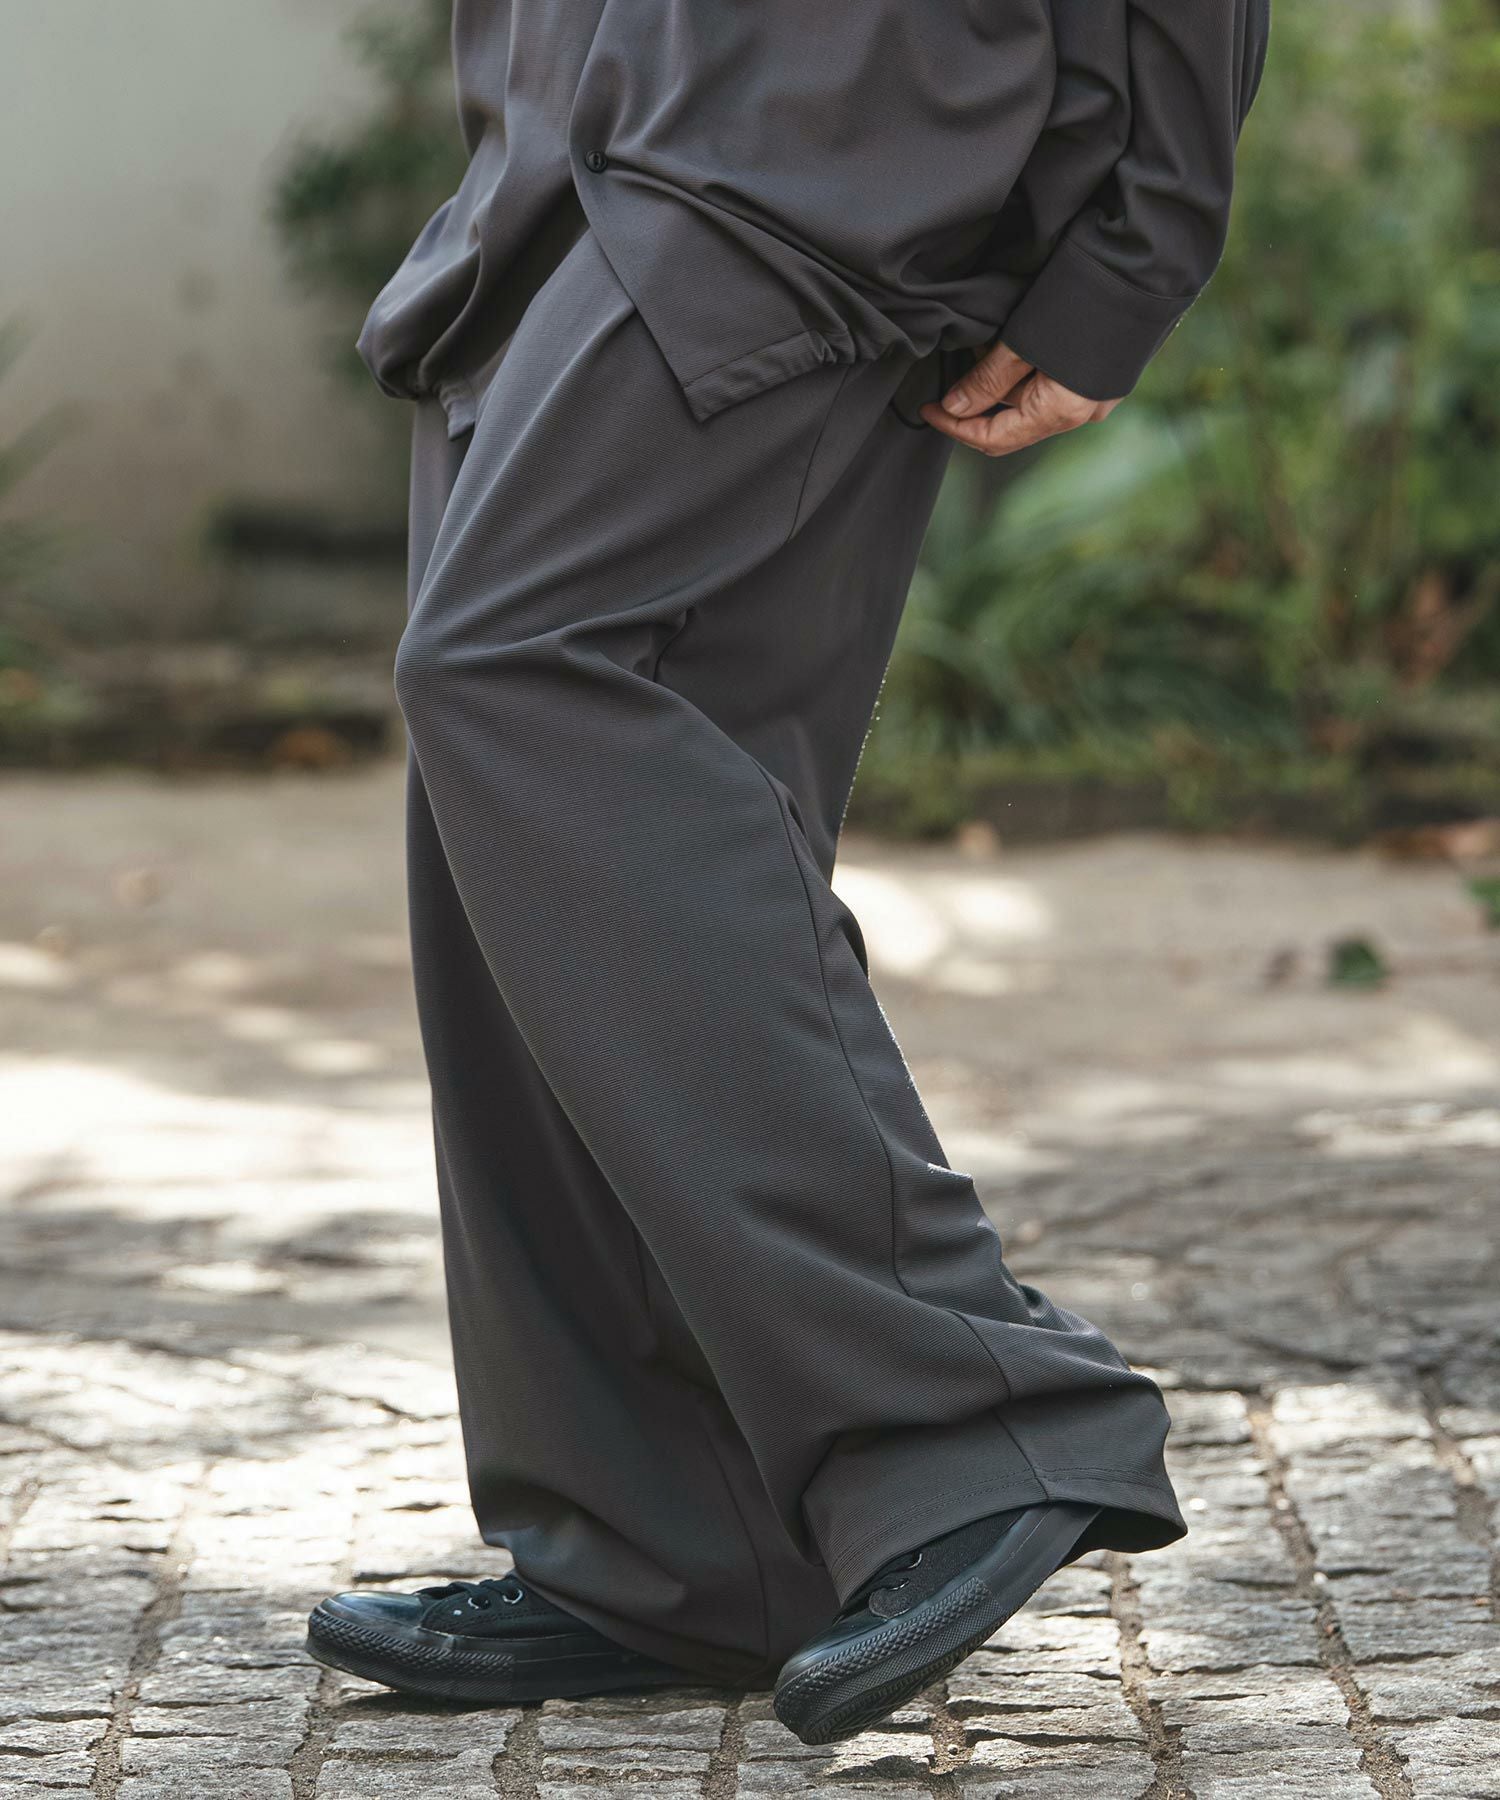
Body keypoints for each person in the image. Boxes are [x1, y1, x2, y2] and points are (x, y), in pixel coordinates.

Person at [305, 0, 1270, 1745]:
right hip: (555, 135)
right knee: (531, 820)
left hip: (813, 125)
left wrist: (1141, 236)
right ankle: (680, 1550)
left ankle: (973, 1409)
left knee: (512, 670)